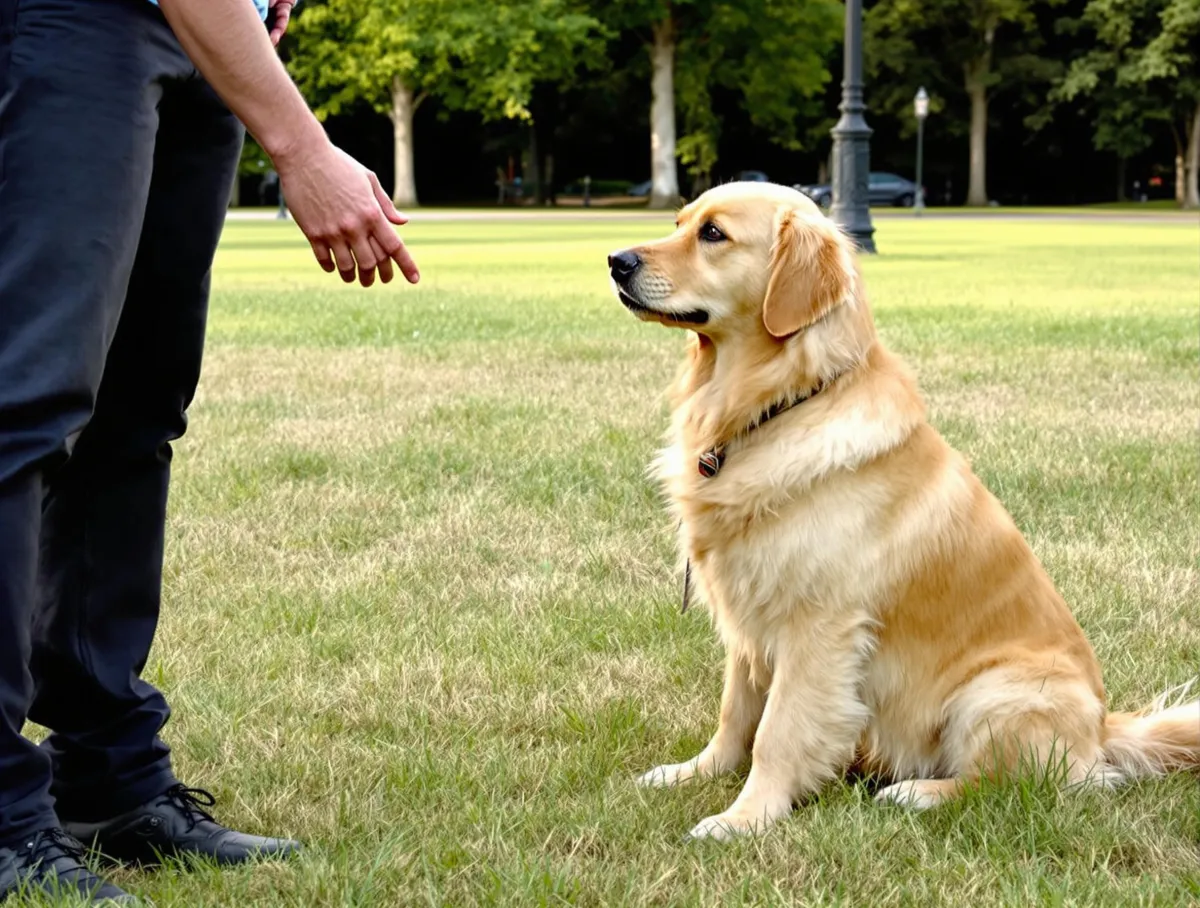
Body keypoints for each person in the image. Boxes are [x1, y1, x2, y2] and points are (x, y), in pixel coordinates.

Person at [0, 0, 419, 902]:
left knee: (132, 417)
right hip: (73, 20)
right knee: (25, 411)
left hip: (208, 36)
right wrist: (303, 147)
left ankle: (108, 782)